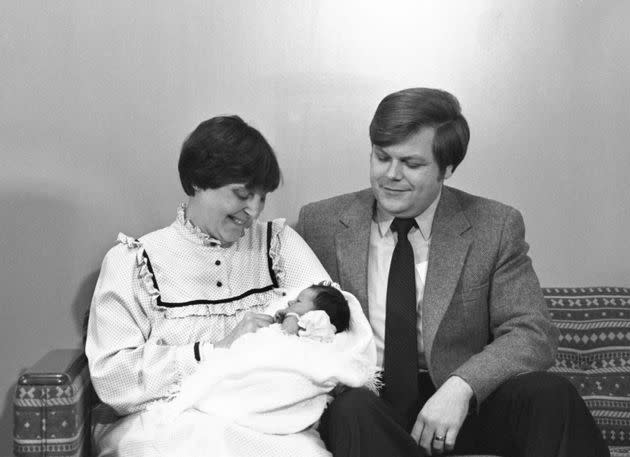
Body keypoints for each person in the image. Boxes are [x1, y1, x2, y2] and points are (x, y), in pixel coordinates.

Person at [296, 88, 609, 457]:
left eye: (411, 164)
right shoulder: (322, 223)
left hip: (461, 405)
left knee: (550, 395)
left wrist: (462, 386)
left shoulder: (494, 225)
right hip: (369, 406)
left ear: (447, 168)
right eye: (382, 157)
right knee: (349, 410)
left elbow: (532, 331)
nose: (390, 175)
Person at [85, 115, 374, 457]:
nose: (253, 210)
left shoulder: (277, 245)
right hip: (167, 423)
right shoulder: (133, 263)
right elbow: (113, 379)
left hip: (271, 423)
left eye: (262, 198)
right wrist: (215, 349)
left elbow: (337, 321)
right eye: (241, 194)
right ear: (196, 182)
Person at [274, 283, 351, 340]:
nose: (289, 302)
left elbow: (283, 337)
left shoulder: (316, 327)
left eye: (298, 301)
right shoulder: (298, 323)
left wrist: (291, 316)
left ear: (318, 315)